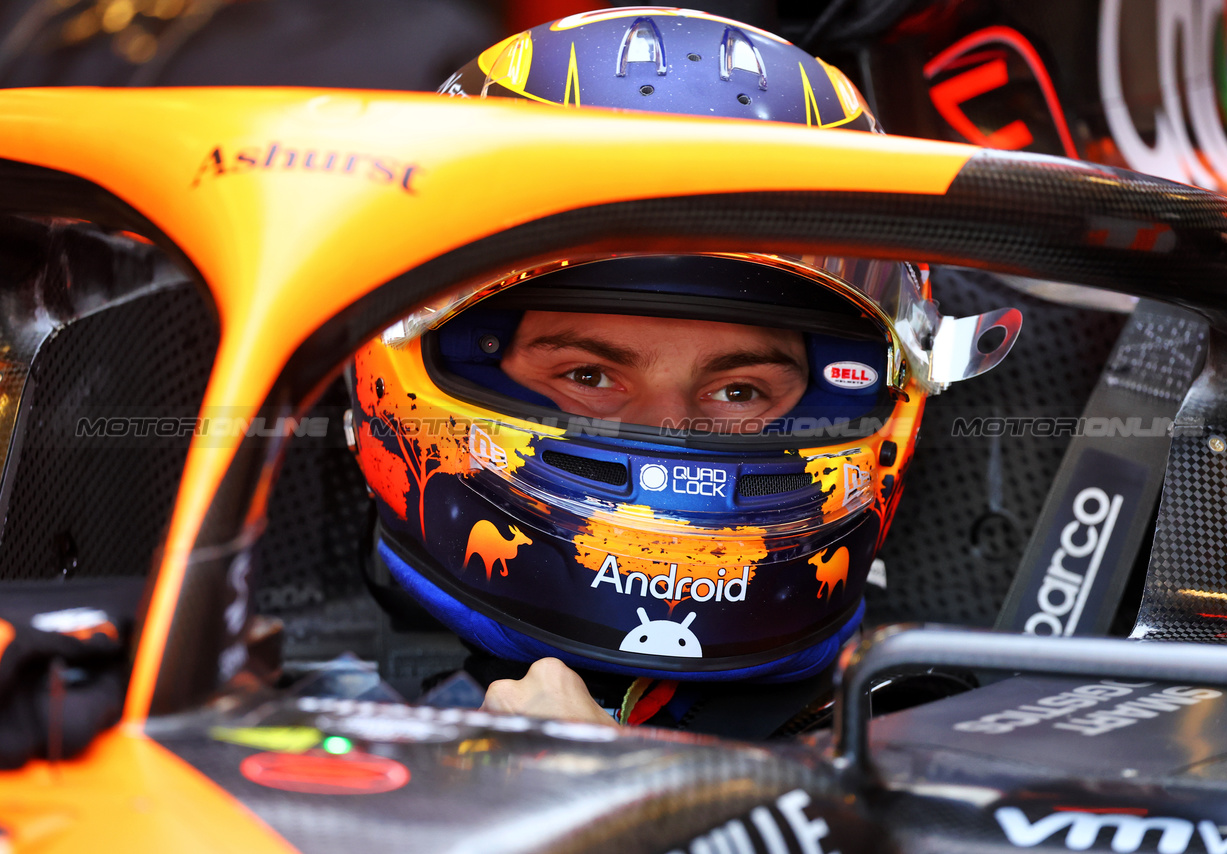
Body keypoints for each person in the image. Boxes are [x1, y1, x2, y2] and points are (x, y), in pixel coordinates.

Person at [347, 8, 1019, 736]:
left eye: (738, 391)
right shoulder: (244, 713)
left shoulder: (963, 742)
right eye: (590, 376)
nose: (669, 433)